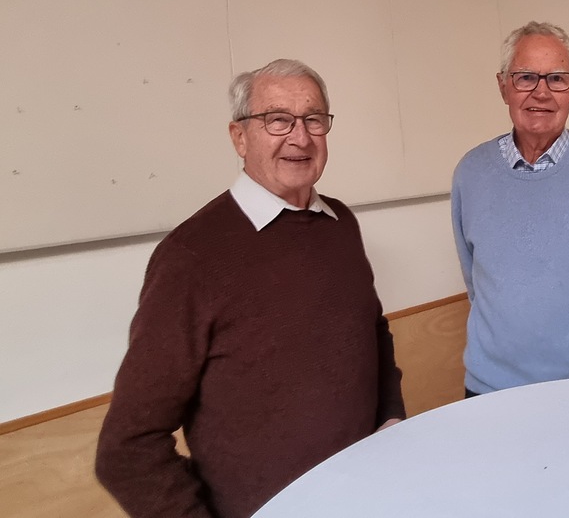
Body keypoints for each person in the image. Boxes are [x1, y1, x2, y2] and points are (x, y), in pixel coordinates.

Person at [95, 59, 405, 517]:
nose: (300, 137)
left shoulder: (341, 223)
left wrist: (392, 417)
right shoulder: (191, 257)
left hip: (366, 493)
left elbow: (372, 331)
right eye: (277, 119)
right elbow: (126, 449)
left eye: (313, 119)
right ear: (239, 137)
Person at [451, 21, 569, 396]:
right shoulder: (470, 173)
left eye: (557, 78)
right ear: (503, 86)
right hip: (494, 390)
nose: (541, 92)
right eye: (526, 77)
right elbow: (474, 277)